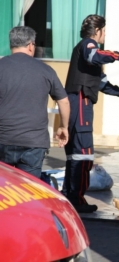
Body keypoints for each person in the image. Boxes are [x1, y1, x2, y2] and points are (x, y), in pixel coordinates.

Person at [62, 14, 119, 213]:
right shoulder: (88, 46)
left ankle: (71, 196)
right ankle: (77, 199)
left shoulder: (87, 52)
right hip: (80, 101)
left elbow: (101, 83)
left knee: (76, 154)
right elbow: (95, 55)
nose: (105, 35)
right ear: (98, 31)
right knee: (83, 154)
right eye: (104, 31)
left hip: (78, 102)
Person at [0, 26, 70, 178]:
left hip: (3, 139)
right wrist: (63, 127)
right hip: (33, 143)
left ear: (12, 44)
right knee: (27, 190)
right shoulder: (46, 70)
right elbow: (63, 101)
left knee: (3, 190)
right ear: (31, 45)